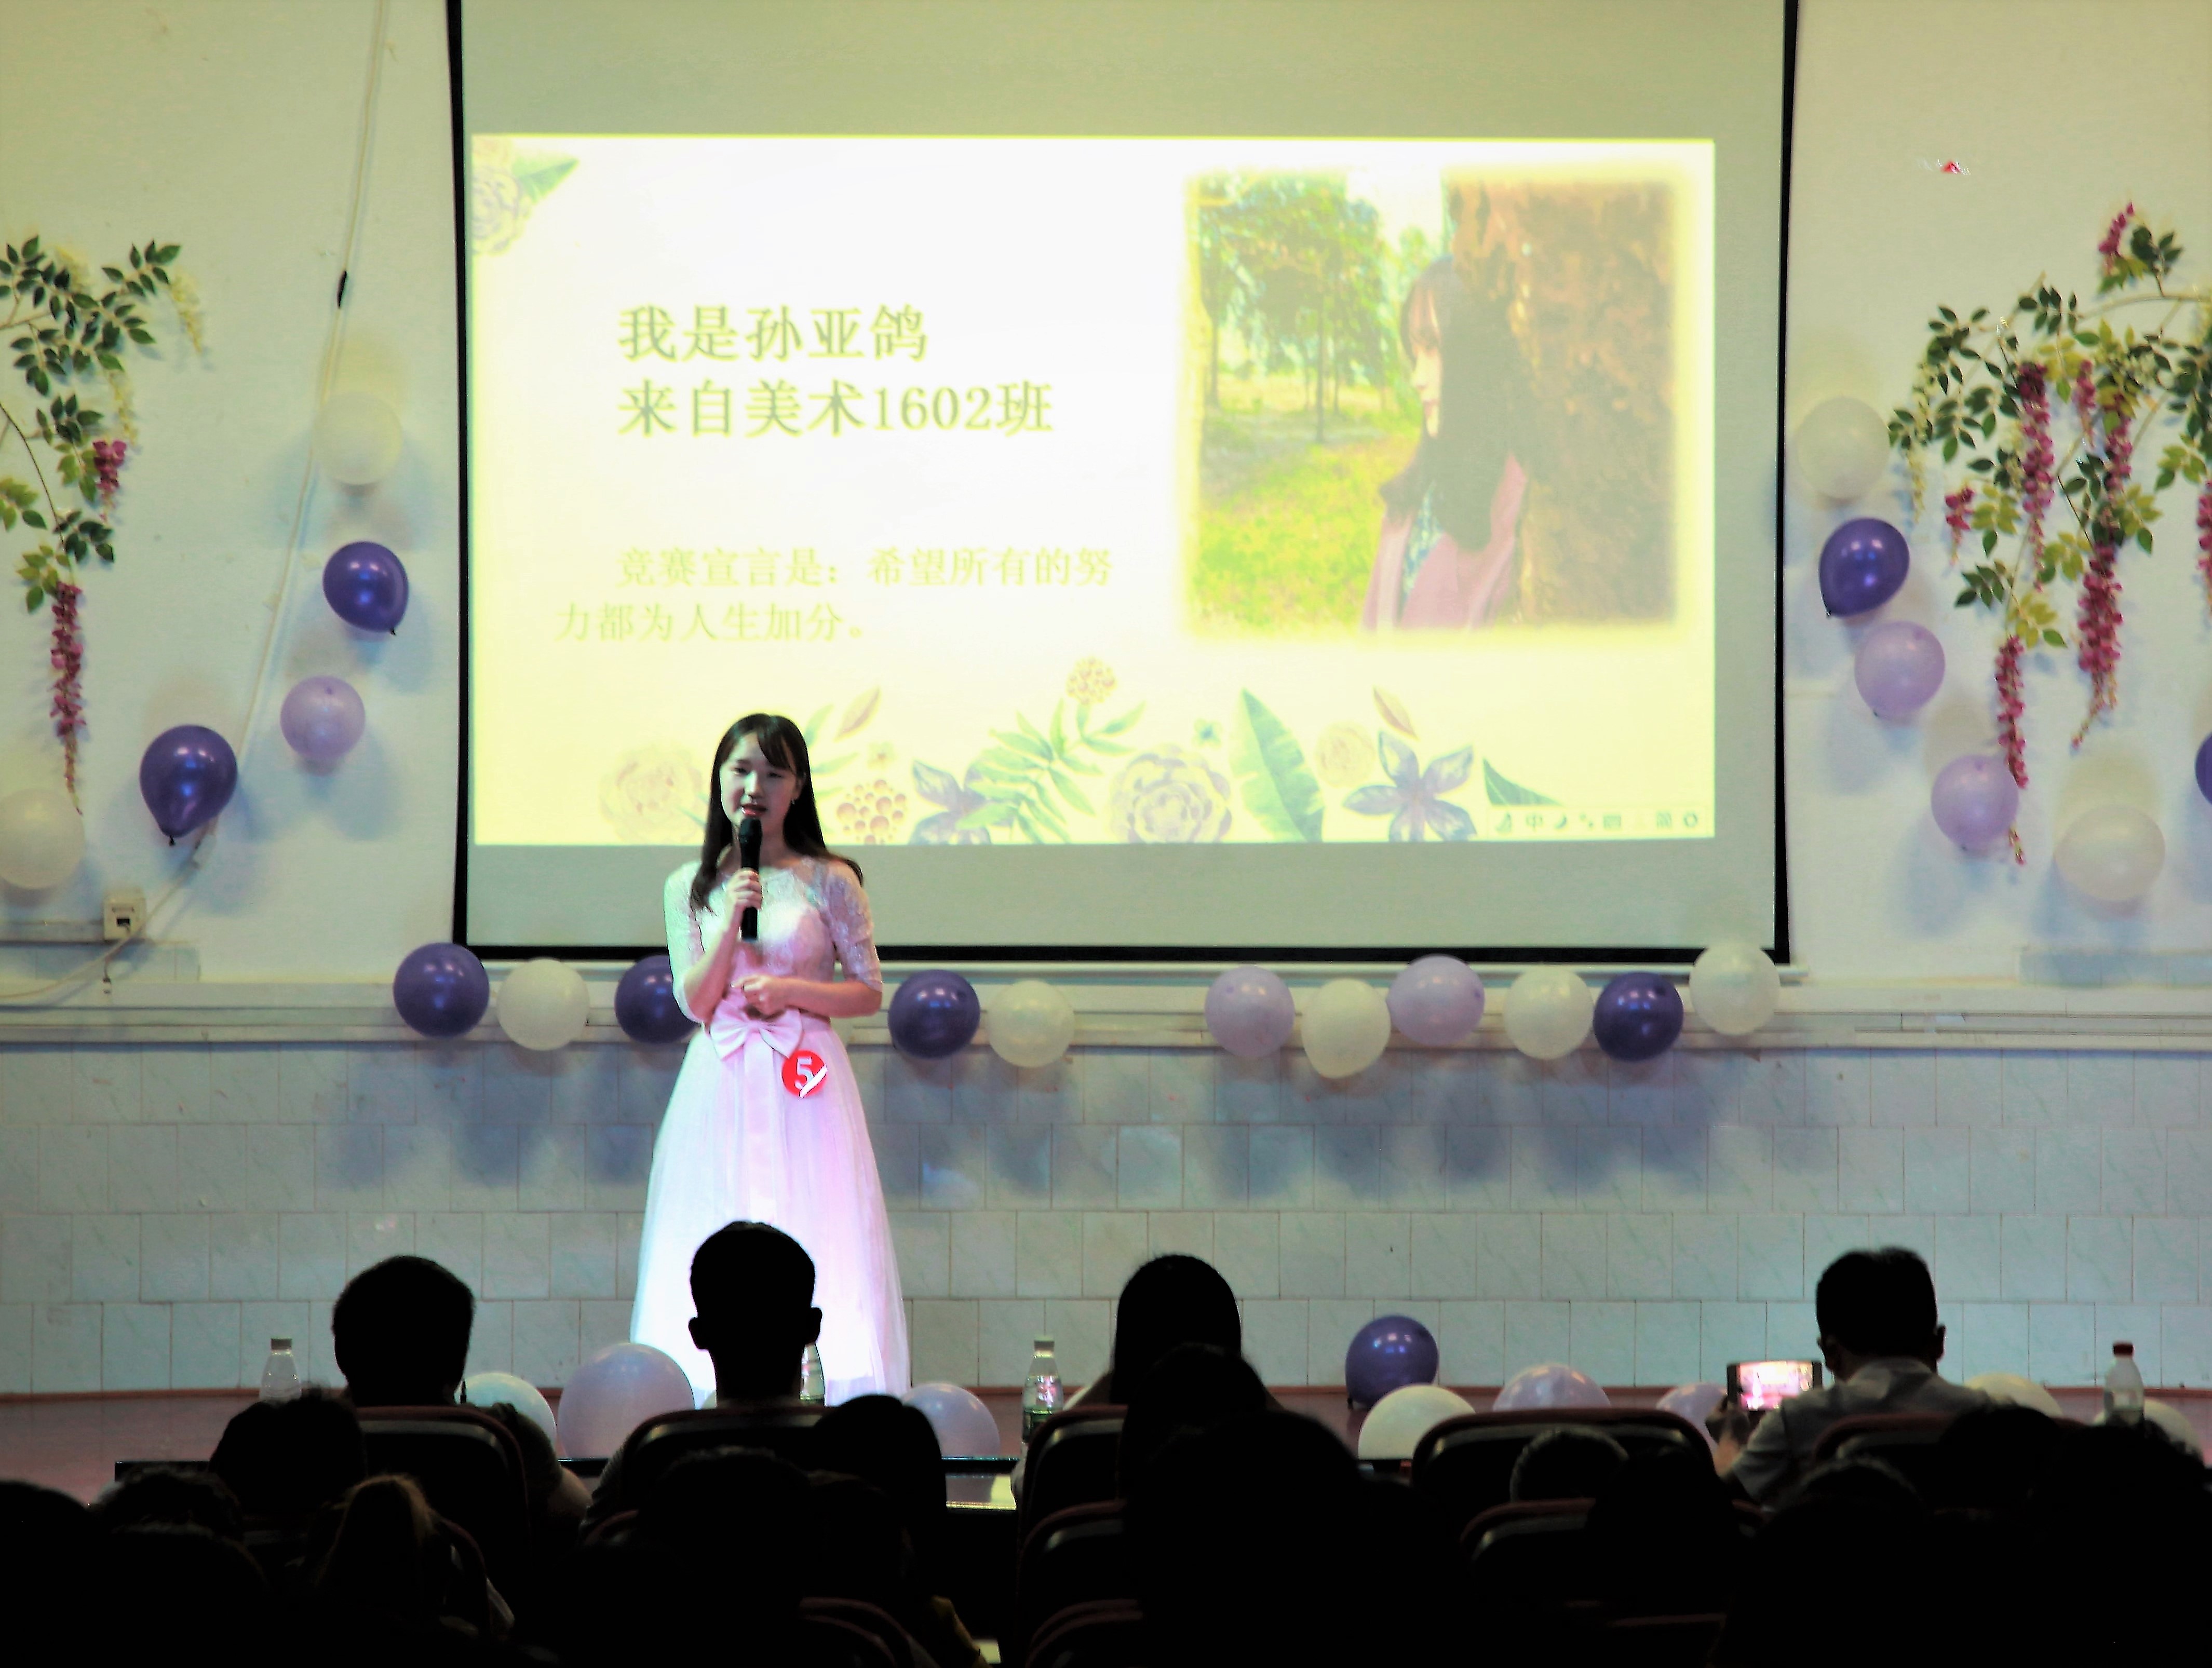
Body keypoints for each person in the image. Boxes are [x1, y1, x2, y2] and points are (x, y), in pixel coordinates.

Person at [633, 713, 907, 1403]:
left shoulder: (831, 879)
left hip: (805, 1068)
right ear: (719, 779)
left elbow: (868, 991)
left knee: (816, 1212)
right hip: (721, 1067)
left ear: (798, 787)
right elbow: (695, 1000)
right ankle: (705, 1381)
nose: (755, 787)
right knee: (710, 1212)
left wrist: (790, 991)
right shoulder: (688, 884)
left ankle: (825, 1381)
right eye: (742, 770)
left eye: (774, 773)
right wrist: (732, 918)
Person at [332, 1254, 592, 1540]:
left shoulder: (311, 1436)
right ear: (458, 1364)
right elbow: (581, 1519)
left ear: (341, 1356)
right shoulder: (507, 1436)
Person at [584, 1221, 824, 1528]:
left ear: (698, 1334)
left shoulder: (650, 1453)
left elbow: (594, 1548)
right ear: (813, 1327)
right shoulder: (854, 1448)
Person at [1716, 1248, 1986, 1504]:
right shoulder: (1986, 1416)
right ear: (1939, 1343)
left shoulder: (1797, 1418)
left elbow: (1717, 1503)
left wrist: (1730, 1438)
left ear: (1831, 1353)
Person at [1360, 254, 1534, 630]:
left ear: (1474, 355)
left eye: (1433, 348)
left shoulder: (1521, 515)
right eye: (1415, 353)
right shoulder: (1409, 499)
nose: (1417, 378)